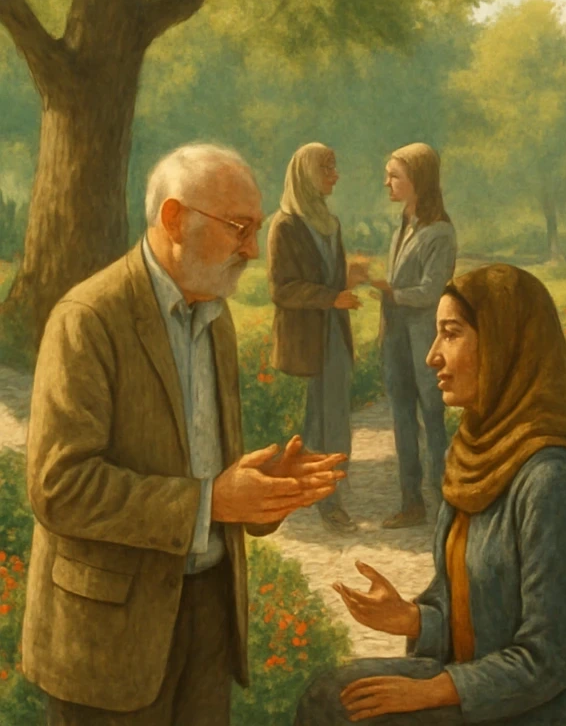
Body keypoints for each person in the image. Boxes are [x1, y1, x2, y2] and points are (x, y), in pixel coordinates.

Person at [24, 143, 345, 725]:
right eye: (238, 229)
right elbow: (59, 487)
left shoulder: (215, 320)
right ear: (174, 220)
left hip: (206, 617)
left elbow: (212, 478)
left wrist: (262, 493)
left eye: (255, 230)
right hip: (108, 637)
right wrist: (211, 500)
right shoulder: (88, 318)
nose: (251, 249)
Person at [294, 264, 566, 725]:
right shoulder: (470, 453)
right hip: (477, 685)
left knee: (349, 714)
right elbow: (475, 615)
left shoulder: (552, 478)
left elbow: (547, 660)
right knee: (329, 696)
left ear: (506, 346)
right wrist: (412, 620)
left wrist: (429, 691)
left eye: (451, 334)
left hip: (538, 711)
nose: (431, 356)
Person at [268, 143, 367, 533]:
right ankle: (323, 501)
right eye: (327, 167)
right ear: (307, 174)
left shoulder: (329, 222)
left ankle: (330, 496)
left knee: (336, 420)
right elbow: (283, 289)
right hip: (306, 341)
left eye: (334, 166)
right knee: (313, 424)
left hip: (333, 337)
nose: (335, 175)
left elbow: (328, 280)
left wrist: (348, 279)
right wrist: (332, 296)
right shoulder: (286, 225)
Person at [372, 142, 458, 529]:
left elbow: (431, 291)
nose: (387, 182)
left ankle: (443, 503)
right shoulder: (403, 224)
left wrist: (389, 292)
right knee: (402, 416)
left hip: (425, 337)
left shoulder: (439, 232)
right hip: (396, 337)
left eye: (395, 176)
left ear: (418, 181)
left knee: (433, 416)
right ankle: (411, 502)